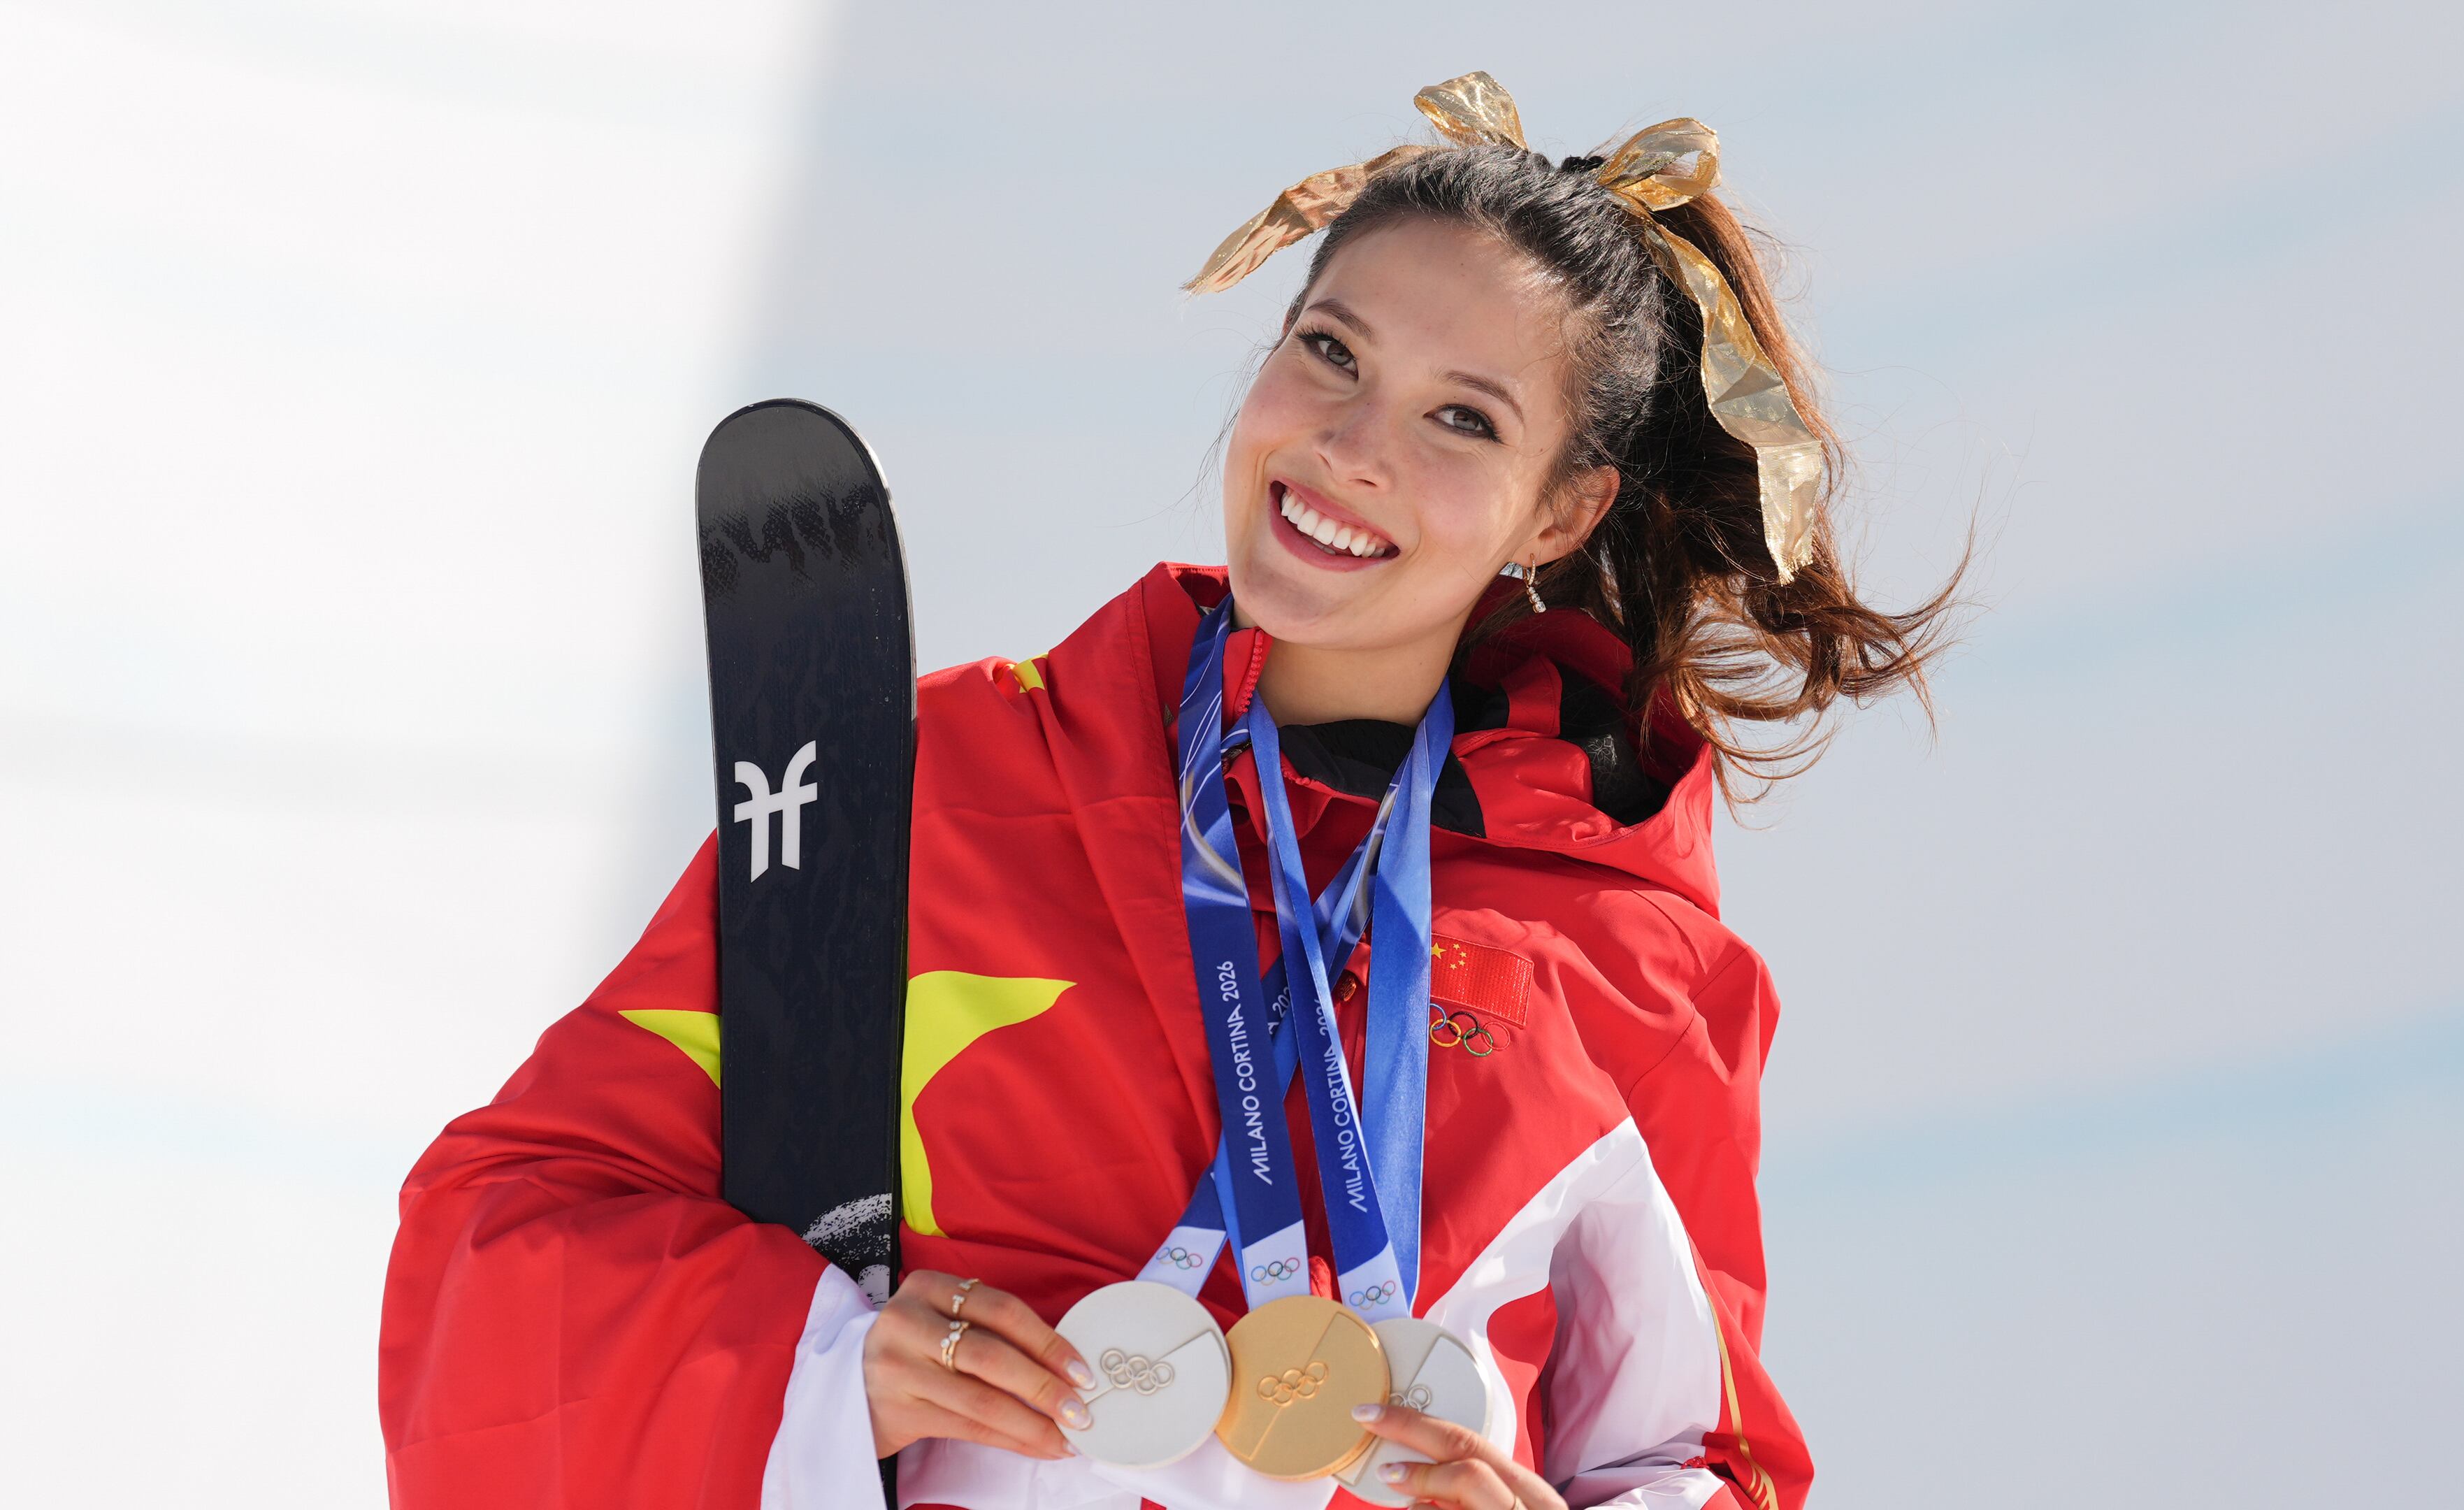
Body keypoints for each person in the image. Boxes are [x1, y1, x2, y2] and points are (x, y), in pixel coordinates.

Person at [380, 73, 1953, 1510]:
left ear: (1564, 510)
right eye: (1328, 351)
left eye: (1461, 418)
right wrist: (817, 1374)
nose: (1349, 446)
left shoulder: (1630, 960)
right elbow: (497, 1245)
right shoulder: (940, 791)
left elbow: (1702, 1460)